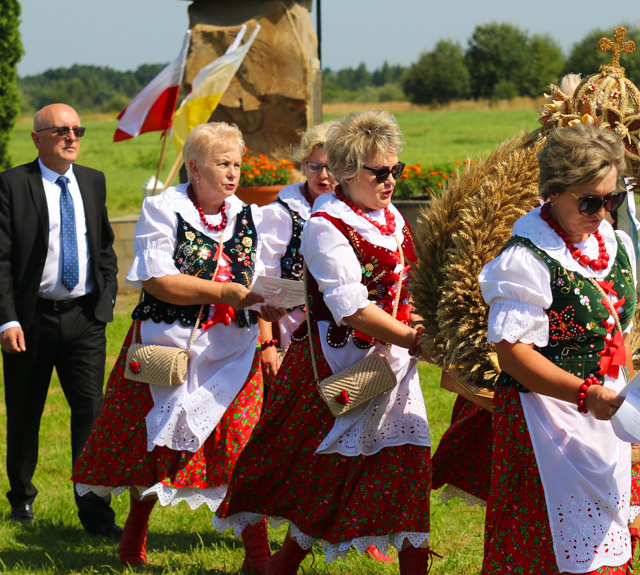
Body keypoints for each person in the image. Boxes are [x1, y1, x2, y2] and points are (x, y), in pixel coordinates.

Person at [214, 109, 435, 575]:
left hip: (394, 366)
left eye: (395, 169)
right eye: (380, 172)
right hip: (341, 366)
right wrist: (414, 339)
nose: (391, 180)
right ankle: (277, 565)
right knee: (324, 475)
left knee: (408, 473)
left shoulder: (391, 216)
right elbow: (351, 307)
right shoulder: (325, 224)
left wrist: (427, 320)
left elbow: (407, 284)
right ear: (347, 172)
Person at [70, 122, 285, 572]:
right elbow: (157, 280)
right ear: (195, 168)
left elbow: (260, 278)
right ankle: (133, 537)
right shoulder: (162, 208)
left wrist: (268, 322)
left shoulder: (250, 214)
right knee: (154, 445)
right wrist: (224, 292)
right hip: (168, 346)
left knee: (242, 445)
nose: (233, 174)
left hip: (235, 348)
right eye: (223, 164)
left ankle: (258, 556)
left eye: (238, 165)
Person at [478, 124, 640, 574]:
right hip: (545, 417)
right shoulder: (525, 260)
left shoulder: (615, 243)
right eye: (589, 201)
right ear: (552, 192)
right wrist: (584, 394)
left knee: (604, 537)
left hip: (604, 411)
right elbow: (513, 354)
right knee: (547, 543)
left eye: (613, 199)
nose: (603, 213)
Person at [0, 103, 120, 536]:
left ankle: (94, 513)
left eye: (77, 129)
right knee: (25, 411)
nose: (72, 137)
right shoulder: (13, 185)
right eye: (61, 130)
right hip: (31, 321)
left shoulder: (93, 180)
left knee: (91, 413)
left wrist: (105, 296)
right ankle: (22, 500)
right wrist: (7, 320)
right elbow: (1, 260)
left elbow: (103, 245)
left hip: (85, 317)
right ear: (37, 138)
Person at [258, 121, 335, 386]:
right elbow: (264, 282)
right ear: (303, 165)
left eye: (331, 166)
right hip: (292, 328)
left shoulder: (352, 207)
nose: (323, 175)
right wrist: (268, 343)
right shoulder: (281, 213)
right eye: (315, 166)